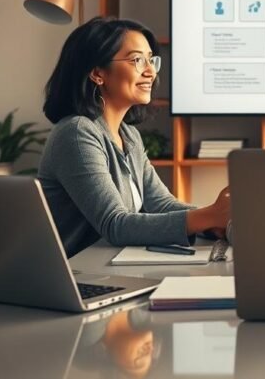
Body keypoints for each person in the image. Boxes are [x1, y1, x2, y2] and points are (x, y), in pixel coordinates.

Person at [38, 17, 230, 257]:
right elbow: (115, 224)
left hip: (107, 268)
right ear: (98, 73)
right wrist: (210, 215)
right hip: (76, 277)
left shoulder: (129, 135)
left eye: (151, 60)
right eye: (137, 60)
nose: (150, 71)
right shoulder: (76, 133)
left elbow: (161, 205)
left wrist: (218, 220)